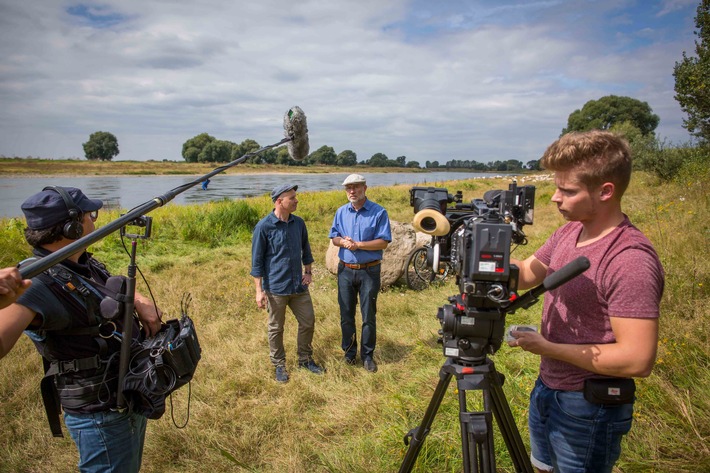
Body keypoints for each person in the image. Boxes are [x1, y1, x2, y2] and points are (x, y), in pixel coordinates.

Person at [507, 130, 664, 473]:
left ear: (605, 191)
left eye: (568, 190)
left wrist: (547, 347)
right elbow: (527, 273)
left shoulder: (629, 259)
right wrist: (479, 256)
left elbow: (637, 360)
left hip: (588, 406)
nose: (554, 198)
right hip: (548, 389)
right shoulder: (570, 231)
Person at [0, 186, 162, 472]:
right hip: (100, 413)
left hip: (124, 396)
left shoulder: (79, 263)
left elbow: (101, 291)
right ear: (72, 227)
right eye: (91, 214)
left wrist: (139, 300)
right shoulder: (34, 284)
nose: (95, 221)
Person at [251, 183, 324, 383]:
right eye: (291, 198)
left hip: (298, 286)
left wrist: (308, 272)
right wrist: (259, 291)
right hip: (276, 288)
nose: (296, 200)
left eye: (295, 196)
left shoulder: (299, 223)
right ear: (279, 201)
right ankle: (279, 365)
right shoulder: (263, 227)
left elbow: (306, 250)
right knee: (276, 328)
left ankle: (305, 359)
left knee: (308, 322)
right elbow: (257, 262)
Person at [329, 174, 391, 373]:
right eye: (348, 188)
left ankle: (367, 356)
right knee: (346, 315)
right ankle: (349, 354)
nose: (352, 191)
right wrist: (343, 242)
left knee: (368, 316)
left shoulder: (379, 212)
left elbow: (383, 242)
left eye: (355, 187)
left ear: (365, 188)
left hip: (369, 271)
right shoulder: (340, 212)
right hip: (345, 270)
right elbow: (334, 237)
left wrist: (359, 245)